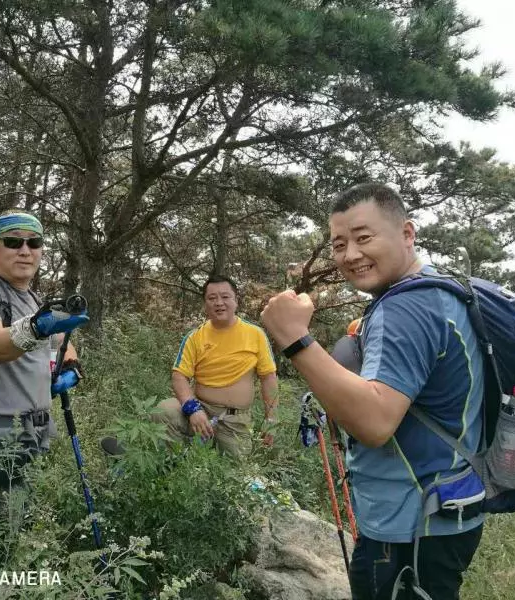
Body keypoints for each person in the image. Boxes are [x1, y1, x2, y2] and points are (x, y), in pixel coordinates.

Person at [261, 183, 484, 600]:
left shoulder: (407, 307)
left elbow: (375, 422)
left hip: (410, 528)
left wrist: (294, 338)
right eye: (339, 244)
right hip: (441, 513)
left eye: (364, 238)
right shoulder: (438, 291)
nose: (350, 255)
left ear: (406, 234)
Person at [0, 209, 88, 513]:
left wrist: (70, 369)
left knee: (15, 545)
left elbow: (64, 344)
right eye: (13, 242)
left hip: (29, 444)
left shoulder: (34, 300)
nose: (25, 250)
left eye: (34, 243)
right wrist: (35, 328)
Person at [154, 274, 279, 458]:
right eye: (212, 298)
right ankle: (175, 464)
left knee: (237, 476)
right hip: (200, 410)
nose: (219, 303)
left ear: (236, 301)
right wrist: (193, 409)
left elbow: (268, 377)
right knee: (164, 411)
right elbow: (179, 376)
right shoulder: (195, 337)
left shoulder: (255, 334)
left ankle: (203, 457)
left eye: (225, 297)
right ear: (205, 304)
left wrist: (271, 418)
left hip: (235, 420)